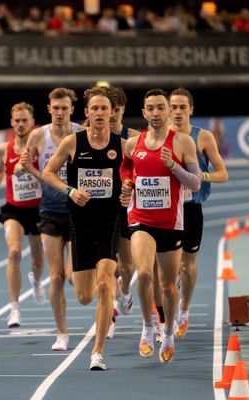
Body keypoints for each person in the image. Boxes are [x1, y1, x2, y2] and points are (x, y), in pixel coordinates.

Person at [42, 86, 122, 370]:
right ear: (87, 113)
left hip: (109, 224)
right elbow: (48, 173)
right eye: (95, 109)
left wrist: (130, 189)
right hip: (81, 226)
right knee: (85, 296)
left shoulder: (121, 144)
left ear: (112, 113)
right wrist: (70, 191)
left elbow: (136, 171)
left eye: (105, 109)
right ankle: (116, 281)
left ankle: (97, 351)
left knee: (103, 286)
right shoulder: (73, 143)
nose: (100, 113)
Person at [120, 88, 201, 363]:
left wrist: (174, 167)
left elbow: (196, 182)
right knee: (143, 274)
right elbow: (126, 171)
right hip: (140, 219)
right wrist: (127, 186)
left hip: (171, 223)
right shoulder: (133, 144)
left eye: (160, 108)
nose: (155, 113)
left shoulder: (183, 142)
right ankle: (146, 328)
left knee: (167, 285)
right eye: (150, 108)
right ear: (144, 113)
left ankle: (167, 332)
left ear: (168, 111)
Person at [20, 87, 82, 351]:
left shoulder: (81, 133)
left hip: (78, 212)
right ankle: (62, 332)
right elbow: (30, 167)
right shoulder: (38, 135)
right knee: (55, 277)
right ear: (49, 109)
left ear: (71, 110)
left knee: (73, 278)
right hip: (50, 211)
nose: (59, 113)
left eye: (64, 108)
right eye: (55, 108)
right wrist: (27, 166)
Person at [0, 102, 45, 328]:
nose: (20, 124)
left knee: (37, 260)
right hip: (14, 209)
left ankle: (35, 280)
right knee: (14, 252)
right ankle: (14, 309)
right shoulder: (4, 149)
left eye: (25, 120)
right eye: (16, 120)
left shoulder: (40, 147)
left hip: (38, 210)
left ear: (32, 123)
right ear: (11, 122)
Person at [168, 88, 228, 338]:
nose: (178, 112)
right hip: (166, 210)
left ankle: (184, 309)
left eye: (183, 107)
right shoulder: (160, 137)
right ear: (167, 110)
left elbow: (222, 173)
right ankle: (164, 319)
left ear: (191, 110)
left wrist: (200, 176)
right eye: (174, 107)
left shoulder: (203, 137)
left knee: (187, 265)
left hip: (192, 209)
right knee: (166, 268)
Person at [104, 86, 140, 318]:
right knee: (105, 266)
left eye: (117, 109)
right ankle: (107, 318)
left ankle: (124, 291)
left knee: (126, 267)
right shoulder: (90, 137)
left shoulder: (136, 138)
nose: (113, 114)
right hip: (101, 207)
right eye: (109, 109)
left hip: (127, 205)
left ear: (122, 109)